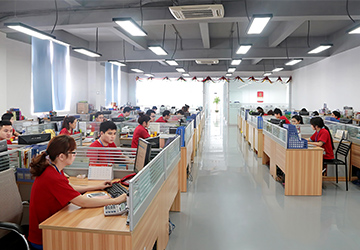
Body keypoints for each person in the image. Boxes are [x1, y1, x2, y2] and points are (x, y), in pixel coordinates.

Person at [28, 135, 126, 249]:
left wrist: (97, 186)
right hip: (45, 236)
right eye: (73, 153)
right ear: (61, 156)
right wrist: (115, 201)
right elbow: (82, 202)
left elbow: (69, 187)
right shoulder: (52, 176)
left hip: (54, 225)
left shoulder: (53, 168)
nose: (75, 155)